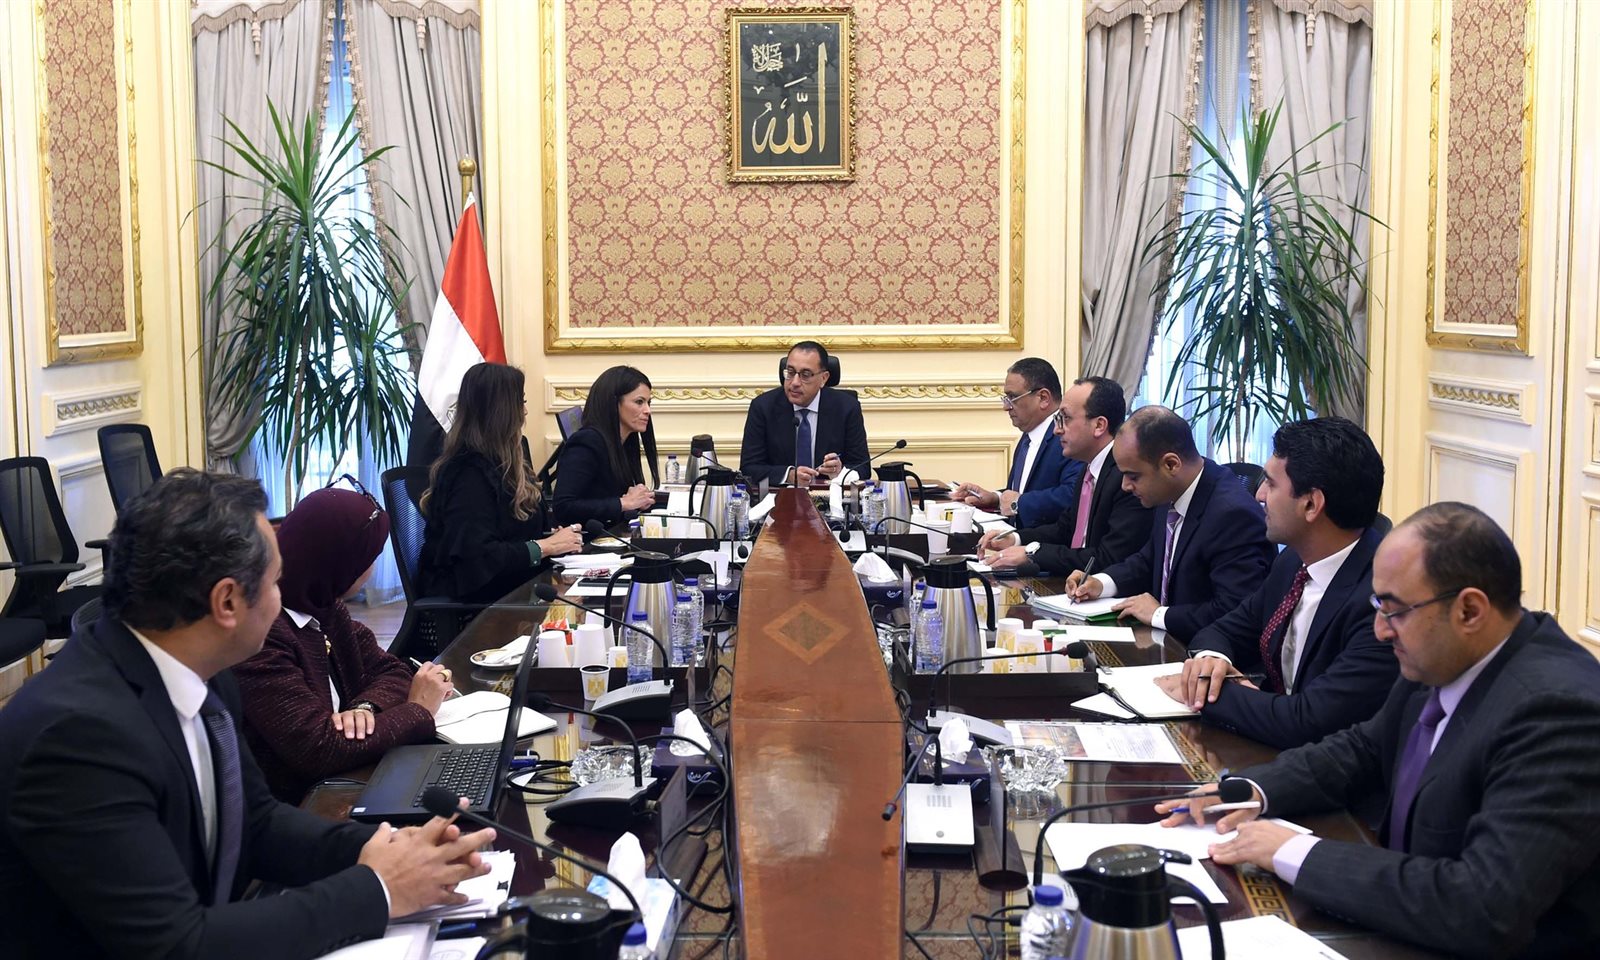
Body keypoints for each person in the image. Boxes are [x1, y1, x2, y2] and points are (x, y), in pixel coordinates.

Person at [0, 469, 495, 960]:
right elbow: (176, 945)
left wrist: (380, 849)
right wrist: (379, 889)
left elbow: (255, 821)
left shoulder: (200, 666)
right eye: (276, 581)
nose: (284, 596)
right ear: (227, 602)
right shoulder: (77, 737)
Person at [1158, 502, 1600, 958]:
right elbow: (1363, 749)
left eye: (1393, 610)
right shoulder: (1447, 654)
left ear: (1469, 611)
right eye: (1377, 605)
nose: (1380, 631)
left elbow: (1483, 905)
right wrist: (1250, 789)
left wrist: (1294, 852)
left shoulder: (1558, 712)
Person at [1157, 418, 1397, 748]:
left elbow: (1308, 721)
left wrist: (1211, 692)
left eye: (1270, 484)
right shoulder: (1293, 562)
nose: (1258, 495)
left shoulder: (1381, 601)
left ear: (1311, 504)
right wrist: (1212, 661)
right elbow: (1224, 630)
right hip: (1270, 748)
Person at [233, 484, 454, 802]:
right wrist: (418, 710)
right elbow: (318, 748)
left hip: (349, 776)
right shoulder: (260, 638)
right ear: (343, 564)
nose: (372, 568)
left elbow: (391, 670)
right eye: (370, 557)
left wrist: (365, 708)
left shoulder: (323, 605)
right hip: (301, 804)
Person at [1067, 406, 1273, 641]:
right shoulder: (1170, 489)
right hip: (1164, 643)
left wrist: (1159, 614)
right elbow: (1149, 559)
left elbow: (1234, 612)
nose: (1125, 486)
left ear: (1171, 465)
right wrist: (1101, 583)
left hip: (1204, 653)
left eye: (1133, 476)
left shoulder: (1233, 515)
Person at [419, 362, 583, 605]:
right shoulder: (467, 474)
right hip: (478, 607)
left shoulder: (503, 463)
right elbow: (477, 557)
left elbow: (512, 533)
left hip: (515, 590)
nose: (525, 411)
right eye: (520, 402)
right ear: (502, 412)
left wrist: (553, 538)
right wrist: (544, 547)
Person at [978, 376, 1151, 574]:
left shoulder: (1127, 478)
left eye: (1065, 418)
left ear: (1099, 426)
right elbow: (1065, 529)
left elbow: (1108, 558)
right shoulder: (1088, 470)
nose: (1057, 430)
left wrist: (1032, 554)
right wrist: (1014, 538)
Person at [951, 358, 1084, 527]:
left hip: (1047, 541)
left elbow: (1074, 495)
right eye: (1006, 398)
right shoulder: (1029, 435)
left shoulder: (1068, 436)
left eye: (1013, 397)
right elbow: (1022, 492)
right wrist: (995, 498)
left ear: (1043, 398)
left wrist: (1019, 503)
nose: (1006, 407)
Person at [738, 340, 870, 485]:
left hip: (829, 494)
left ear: (823, 378)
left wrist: (841, 472)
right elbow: (749, 468)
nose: (794, 382)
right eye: (790, 372)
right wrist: (789, 475)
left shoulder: (846, 408)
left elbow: (863, 468)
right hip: (779, 495)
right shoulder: (763, 407)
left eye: (805, 375)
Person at [552, 365, 660, 526]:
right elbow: (563, 507)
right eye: (639, 402)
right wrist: (624, 503)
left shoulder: (626, 440)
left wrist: (638, 501)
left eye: (648, 402)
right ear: (613, 403)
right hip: (588, 538)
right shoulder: (586, 442)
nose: (647, 410)